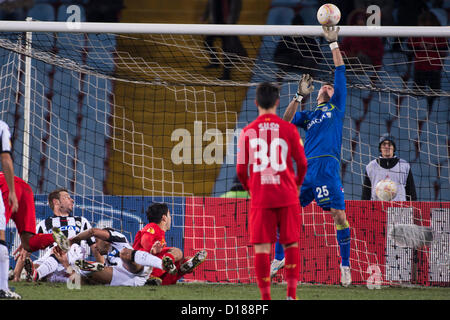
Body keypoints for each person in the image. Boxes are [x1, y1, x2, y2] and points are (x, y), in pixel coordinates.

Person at [270, 26, 353, 287]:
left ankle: (346, 266)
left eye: (330, 87)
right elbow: (284, 124)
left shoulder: (336, 105)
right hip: (306, 170)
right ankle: (278, 258)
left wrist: (333, 43)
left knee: (339, 217)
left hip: (327, 166)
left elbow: (340, 72)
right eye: (324, 87)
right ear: (316, 93)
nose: (327, 87)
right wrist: (298, 96)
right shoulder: (310, 115)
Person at [236, 82, 308, 300]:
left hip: (261, 197)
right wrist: (295, 186)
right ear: (277, 102)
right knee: (291, 244)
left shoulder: (247, 132)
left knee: (261, 249)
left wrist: (251, 189)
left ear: (256, 102)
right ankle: (291, 296)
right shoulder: (289, 129)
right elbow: (303, 164)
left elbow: (241, 170)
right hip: (287, 195)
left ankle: (266, 298)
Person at [0, 120, 56, 299]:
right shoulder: (2, 126)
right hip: (23, 187)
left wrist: (11, 192)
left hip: (6, 186)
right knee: (28, 242)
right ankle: (57, 237)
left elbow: (5, 159)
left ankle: (2, 287)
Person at [14, 188, 97, 283]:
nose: (72, 200)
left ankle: (38, 275)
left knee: (59, 248)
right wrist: (16, 275)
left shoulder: (82, 221)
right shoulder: (43, 224)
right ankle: (44, 275)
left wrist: (102, 263)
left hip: (74, 259)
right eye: (67, 197)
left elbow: (94, 246)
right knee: (38, 263)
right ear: (56, 202)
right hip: (52, 261)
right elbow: (27, 249)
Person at [52, 227, 165, 287]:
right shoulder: (107, 256)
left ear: (105, 239)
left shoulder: (118, 238)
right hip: (127, 279)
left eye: (96, 241)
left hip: (136, 269)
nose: (95, 245)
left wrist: (72, 241)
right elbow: (102, 266)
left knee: (125, 255)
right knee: (87, 276)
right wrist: (65, 263)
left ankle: (151, 271)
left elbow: (92, 231)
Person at [133, 202, 207, 285]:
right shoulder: (152, 226)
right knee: (177, 252)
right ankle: (179, 266)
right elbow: (145, 239)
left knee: (177, 266)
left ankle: (184, 266)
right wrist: (152, 248)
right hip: (143, 267)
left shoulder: (160, 235)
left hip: (156, 274)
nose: (170, 218)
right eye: (169, 215)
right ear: (164, 218)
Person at [408, 10, 448, 115]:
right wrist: (419, 45)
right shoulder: (417, 32)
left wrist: (433, 46)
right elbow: (409, 45)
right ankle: (418, 113)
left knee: (434, 93)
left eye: (429, 21)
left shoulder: (439, 32)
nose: (427, 23)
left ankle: (432, 113)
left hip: (434, 67)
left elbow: (444, 48)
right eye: (424, 21)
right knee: (418, 92)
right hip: (420, 65)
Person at [362, 134, 417, 201]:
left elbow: (411, 192)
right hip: (377, 208)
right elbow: (366, 194)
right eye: (384, 144)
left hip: (399, 208)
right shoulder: (371, 166)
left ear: (394, 148)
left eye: (390, 144)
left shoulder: (404, 165)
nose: (386, 147)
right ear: (380, 148)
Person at [202, 0, 247, 80]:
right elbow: (210, 4)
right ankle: (215, 62)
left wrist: (231, 24)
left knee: (227, 51)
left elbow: (236, 10)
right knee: (207, 42)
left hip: (228, 26)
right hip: (215, 24)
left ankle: (226, 75)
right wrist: (205, 16)